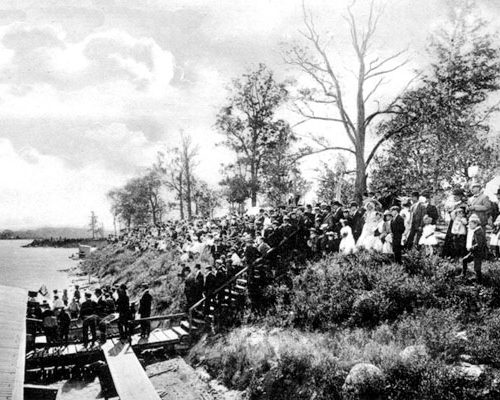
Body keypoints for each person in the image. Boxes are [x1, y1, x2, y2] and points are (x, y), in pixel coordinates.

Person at [463, 214, 488, 283]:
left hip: (478, 252)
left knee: (477, 267)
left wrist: (471, 248)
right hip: (474, 251)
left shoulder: (478, 232)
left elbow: (479, 245)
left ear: (475, 224)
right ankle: (463, 274)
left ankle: (479, 281)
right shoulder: (474, 230)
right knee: (465, 260)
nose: (469, 226)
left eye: (471, 224)